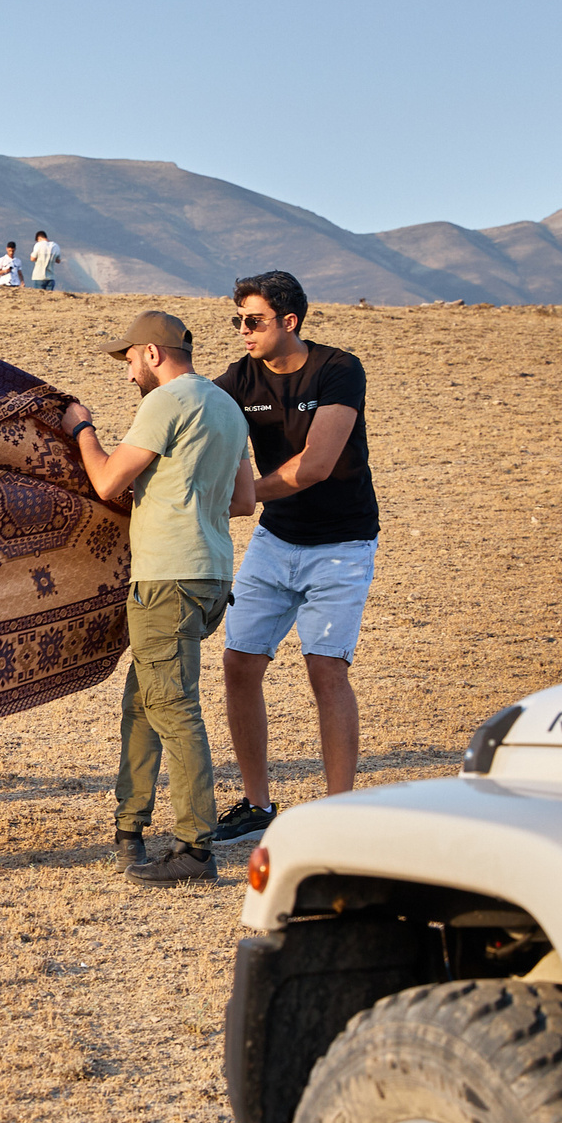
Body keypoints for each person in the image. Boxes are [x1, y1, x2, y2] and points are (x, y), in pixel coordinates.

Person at [62, 311, 256, 883]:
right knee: (144, 702)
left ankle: (196, 847)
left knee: (173, 709)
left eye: (128, 360)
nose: (128, 375)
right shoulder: (226, 406)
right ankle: (130, 828)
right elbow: (244, 499)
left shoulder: (167, 402)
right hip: (211, 575)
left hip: (167, 577)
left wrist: (82, 430)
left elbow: (105, 481)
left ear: (152, 353)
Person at [208, 269, 379, 845]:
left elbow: (316, 465)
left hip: (342, 543)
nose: (242, 332)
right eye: (237, 321)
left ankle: (340, 816)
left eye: (252, 321)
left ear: (290, 321)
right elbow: (193, 414)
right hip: (276, 540)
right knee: (239, 662)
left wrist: (242, 495)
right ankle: (258, 806)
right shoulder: (239, 380)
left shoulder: (337, 368)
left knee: (326, 670)